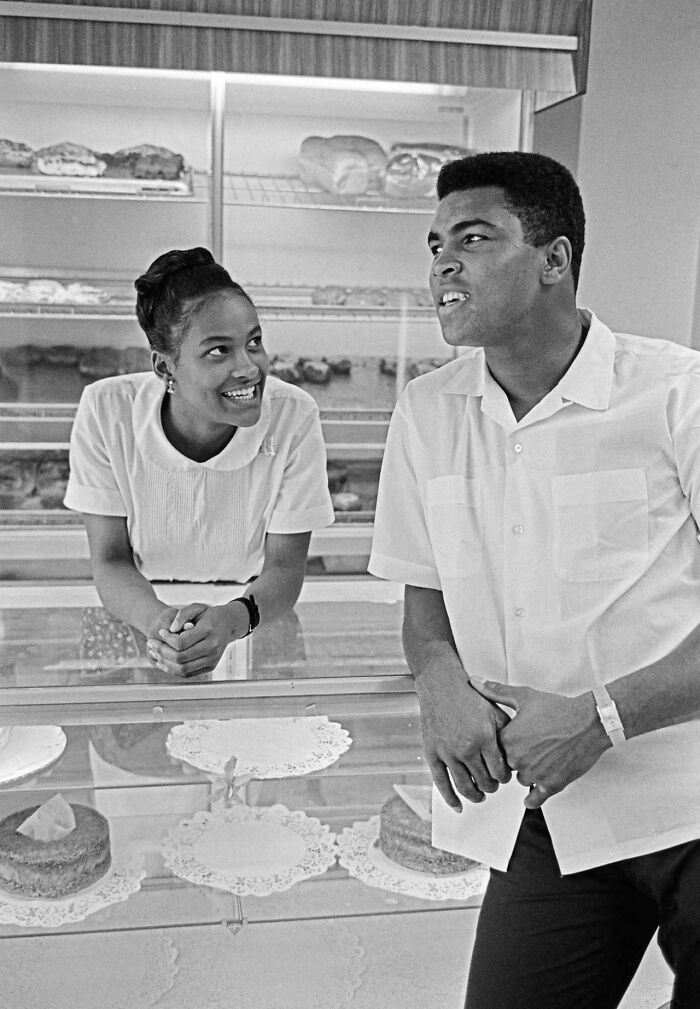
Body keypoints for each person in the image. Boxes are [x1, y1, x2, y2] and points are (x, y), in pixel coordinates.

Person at [368, 152, 700, 1008]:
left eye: (474, 238)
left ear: (554, 259)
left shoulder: (677, 393)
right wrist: (437, 675)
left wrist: (604, 715)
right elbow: (423, 589)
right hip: (547, 813)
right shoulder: (427, 410)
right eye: (436, 242)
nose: (443, 261)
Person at [64, 247, 334, 678]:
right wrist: (161, 626)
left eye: (254, 342)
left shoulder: (293, 415)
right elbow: (110, 560)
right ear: (165, 366)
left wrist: (229, 621)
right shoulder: (106, 410)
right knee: (132, 741)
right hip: (136, 613)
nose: (249, 368)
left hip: (252, 613)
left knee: (258, 743)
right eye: (218, 351)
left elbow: (285, 567)